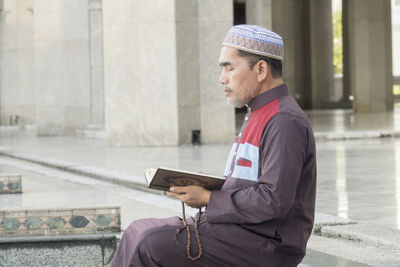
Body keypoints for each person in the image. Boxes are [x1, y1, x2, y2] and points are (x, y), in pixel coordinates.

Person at [111, 24, 316, 267]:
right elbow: (249, 184)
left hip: (266, 244)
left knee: (150, 242)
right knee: (136, 231)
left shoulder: (283, 120)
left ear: (261, 69)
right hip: (240, 231)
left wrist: (208, 198)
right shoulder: (258, 113)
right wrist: (206, 186)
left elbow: (274, 200)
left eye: (229, 68)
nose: (222, 79)